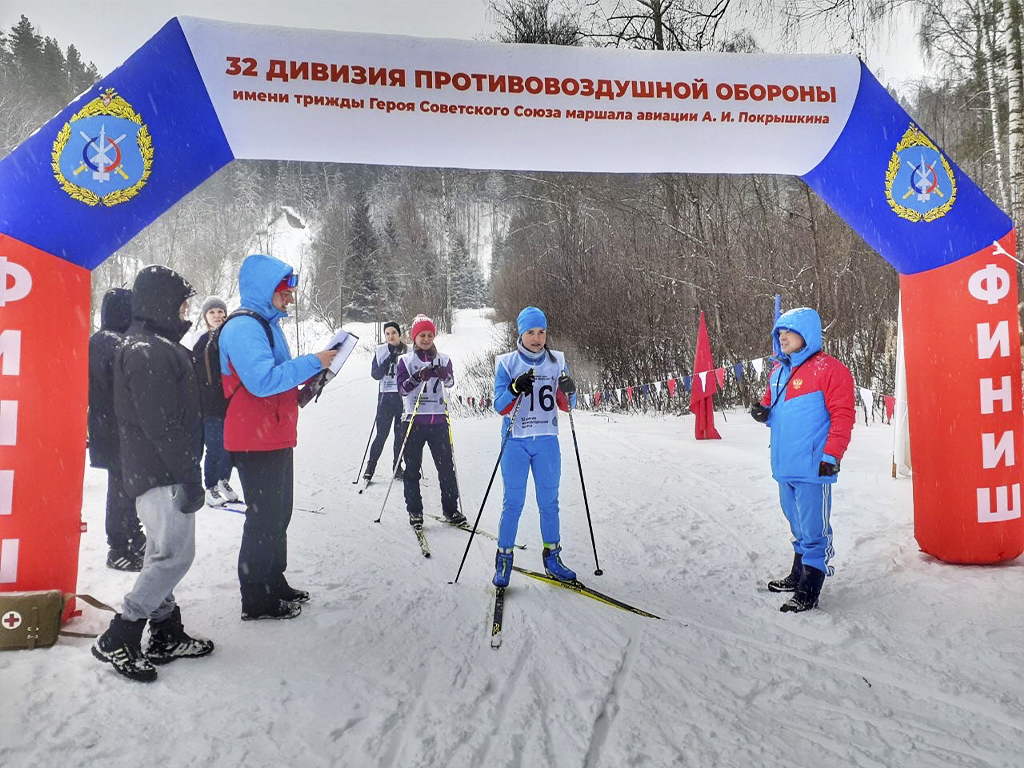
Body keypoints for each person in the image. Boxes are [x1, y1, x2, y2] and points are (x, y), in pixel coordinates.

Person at [92, 265, 214, 683]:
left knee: (162, 553)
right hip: (161, 473)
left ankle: (165, 632)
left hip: (155, 470)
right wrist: (190, 475)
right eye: (182, 305)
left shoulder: (153, 344)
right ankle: (121, 633)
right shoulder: (147, 350)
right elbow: (161, 424)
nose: (187, 314)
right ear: (162, 304)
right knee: (174, 556)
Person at [218, 255, 337, 621]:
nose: (290, 298)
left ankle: (274, 580)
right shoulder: (243, 328)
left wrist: (309, 381)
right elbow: (262, 380)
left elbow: (278, 379)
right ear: (265, 289)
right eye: (284, 292)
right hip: (253, 439)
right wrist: (315, 362)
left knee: (278, 514)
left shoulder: (267, 325)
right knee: (263, 518)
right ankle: (256, 598)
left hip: (274, 434)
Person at [750, 307, 855, 613]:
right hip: (784, 464)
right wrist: (762, 412)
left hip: (813, 466)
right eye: (778, 333)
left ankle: (811, 584)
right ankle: (799, 574)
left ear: (806, 333)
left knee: (813, 527)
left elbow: (843, 416)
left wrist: (832, 455)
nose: (781, 337)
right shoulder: (778, 371)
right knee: (794, 522)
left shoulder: (831, 370)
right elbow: (774, 410)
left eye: (788, 332)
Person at [491, 307, 577, 587]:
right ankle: (504, 558)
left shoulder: (557, 361)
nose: (537, 338)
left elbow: (568, 406)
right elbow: (499, 406)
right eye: (530, 332)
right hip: (516, 441)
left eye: (541, 332)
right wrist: (514, 388)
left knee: (549, 503)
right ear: (520, 333)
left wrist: (569, 390)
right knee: (513, 503)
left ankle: (553, 556)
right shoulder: (507, 363)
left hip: (547, 441)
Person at [88, 287, 146, 572]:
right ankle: (119, 547)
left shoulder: (101, 340)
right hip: (117, 429)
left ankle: (133, 536)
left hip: (107, 427)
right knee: (123, 488)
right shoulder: (113, 343)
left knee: (125, 486)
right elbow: (122, 390)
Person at [395, 314, 465, 528]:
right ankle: (415, 511)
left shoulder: (443, 358)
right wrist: (418, 377)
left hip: (439, 421)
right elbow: (402, 389)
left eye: (430, 335)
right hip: (414, 420)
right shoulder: (405, 360)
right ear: (414, 337)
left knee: (446, 468)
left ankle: (451, 509)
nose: (426, 339)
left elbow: (451, 382)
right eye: (422, 335)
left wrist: (444, 374)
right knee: (413, 469)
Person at [190, 296, 239, 507]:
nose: (217, 316)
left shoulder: (232, 335)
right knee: (215, 446)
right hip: (209, 404)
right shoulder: (201, 340)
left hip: (231, 402)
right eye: (212, 312)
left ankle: (223, 481)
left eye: (220, 311)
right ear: (205, 316)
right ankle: (210, 486)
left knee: (230, 446)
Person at [364, 321, 406, 482]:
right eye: (387, 333)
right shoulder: (380, 351)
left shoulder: (408, 350)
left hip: (402, 397)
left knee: (400, 434)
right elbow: (375, 374)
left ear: (399, 334)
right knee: (381, 434)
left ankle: (397, 467)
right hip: (385, 397)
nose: (390, 336)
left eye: (393, 333)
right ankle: (370, 468)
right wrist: (389, 360)